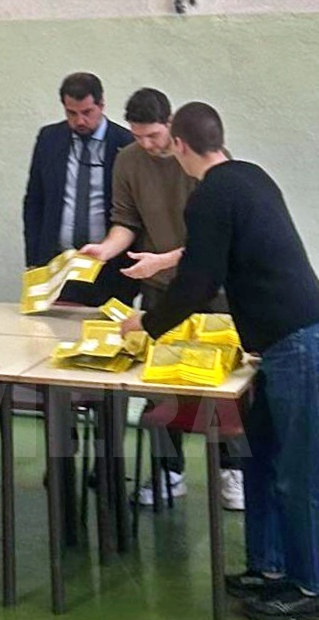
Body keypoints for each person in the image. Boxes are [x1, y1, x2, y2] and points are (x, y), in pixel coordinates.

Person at [121, 102, 319, 620]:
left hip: (298, 345)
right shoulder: (249, 176)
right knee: (261, 459)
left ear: (180, 145)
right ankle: (269, 568)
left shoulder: (208, 196)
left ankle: (310, 587)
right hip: (281, 346)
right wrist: (165, 259)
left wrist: (147, 323)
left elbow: (200, 283)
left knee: (298, 473)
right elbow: (211, 252)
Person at [78, 88, 243, 510]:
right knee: (160, 384)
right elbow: (125, 221)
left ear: (171, 126)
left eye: (153, 135)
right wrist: (106, 250)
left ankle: (233, 471)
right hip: (160, 288)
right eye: (138, 136)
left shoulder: (202, 162)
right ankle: (169, 472)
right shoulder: (128, 161)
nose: (147, 144)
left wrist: (174, 260)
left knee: (223, 385)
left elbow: (213, 241)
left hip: (212, 289)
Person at [23, 72, 137, 306]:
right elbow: (34, 201)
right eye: (71, 113)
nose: (80, 121)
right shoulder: (49, 139)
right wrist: (34, 260)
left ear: (101, 105)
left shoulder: (126, 143)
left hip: (110, 267)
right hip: (59, 263)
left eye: (87, 112)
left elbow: (135, 211)